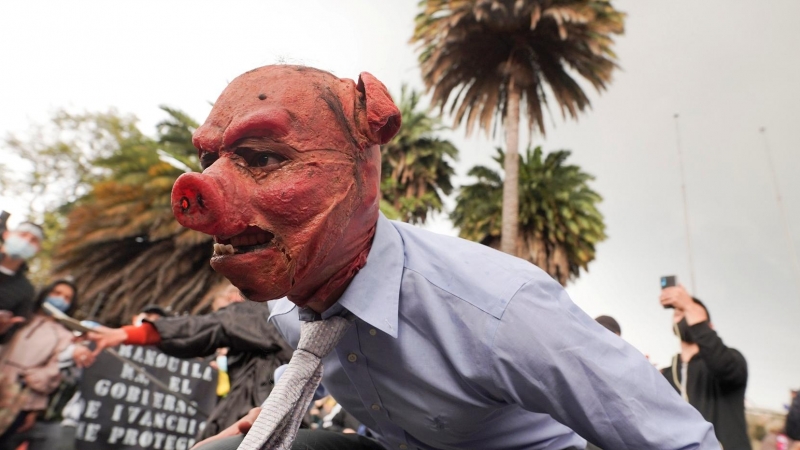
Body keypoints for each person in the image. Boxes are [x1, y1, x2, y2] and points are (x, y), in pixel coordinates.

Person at [163, 64, 719, 450]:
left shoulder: (500, 310)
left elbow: (679, 439)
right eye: (210, 159)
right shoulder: (292, 309)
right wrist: (274, 414)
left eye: (261, 156)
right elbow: (331, 359)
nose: (204, 190)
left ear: (367, 167)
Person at [88, 285, 292, 440]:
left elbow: (205, 327)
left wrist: (128, 334)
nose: (220, 313)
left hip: (251, 417)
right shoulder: (284, 328)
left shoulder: (246, 313)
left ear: (232, 298)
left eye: (219, 309)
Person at [0, 279, 94, 450]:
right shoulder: (21, 317)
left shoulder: (64, 335)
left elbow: (55, 369)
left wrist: (31, 381)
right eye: (56, 293)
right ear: (46, 292)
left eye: (67, 298)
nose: (60, 299)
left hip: (19, 399)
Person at [660, 285, 751, 450]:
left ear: (709, 326)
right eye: (677, 313)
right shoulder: (667, 373)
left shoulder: (732, 359)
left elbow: (724, 366)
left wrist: (689, 305)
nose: (681, 313)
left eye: (687, 312)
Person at [0, 222, 44, 342]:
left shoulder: (27, 291)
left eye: (33, 240)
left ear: (37, 249)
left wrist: (3, 329)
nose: (26, 241)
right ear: (6, 234)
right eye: (23, 235)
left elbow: (8, 336)